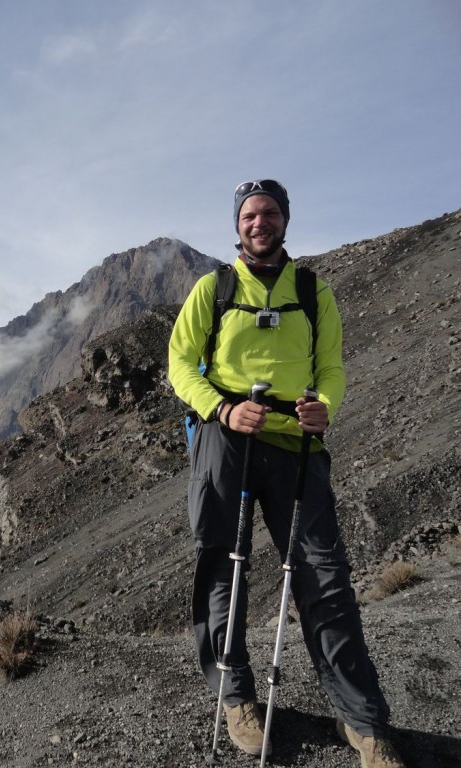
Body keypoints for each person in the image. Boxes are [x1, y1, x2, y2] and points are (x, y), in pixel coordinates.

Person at [167, 179, 405, 768]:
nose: (259, 222)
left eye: (269, 212)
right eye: (249, 215)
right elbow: (178, 364)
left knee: (324, 576)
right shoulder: (213, 288)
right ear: (237, 225)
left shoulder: (312, 290)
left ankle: (363, 722)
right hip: (227, 439)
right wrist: (222, 408)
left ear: (285, 220)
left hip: (296, 445)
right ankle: (236, 698)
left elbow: (332, 367)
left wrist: (325, 404)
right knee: (224, 565)